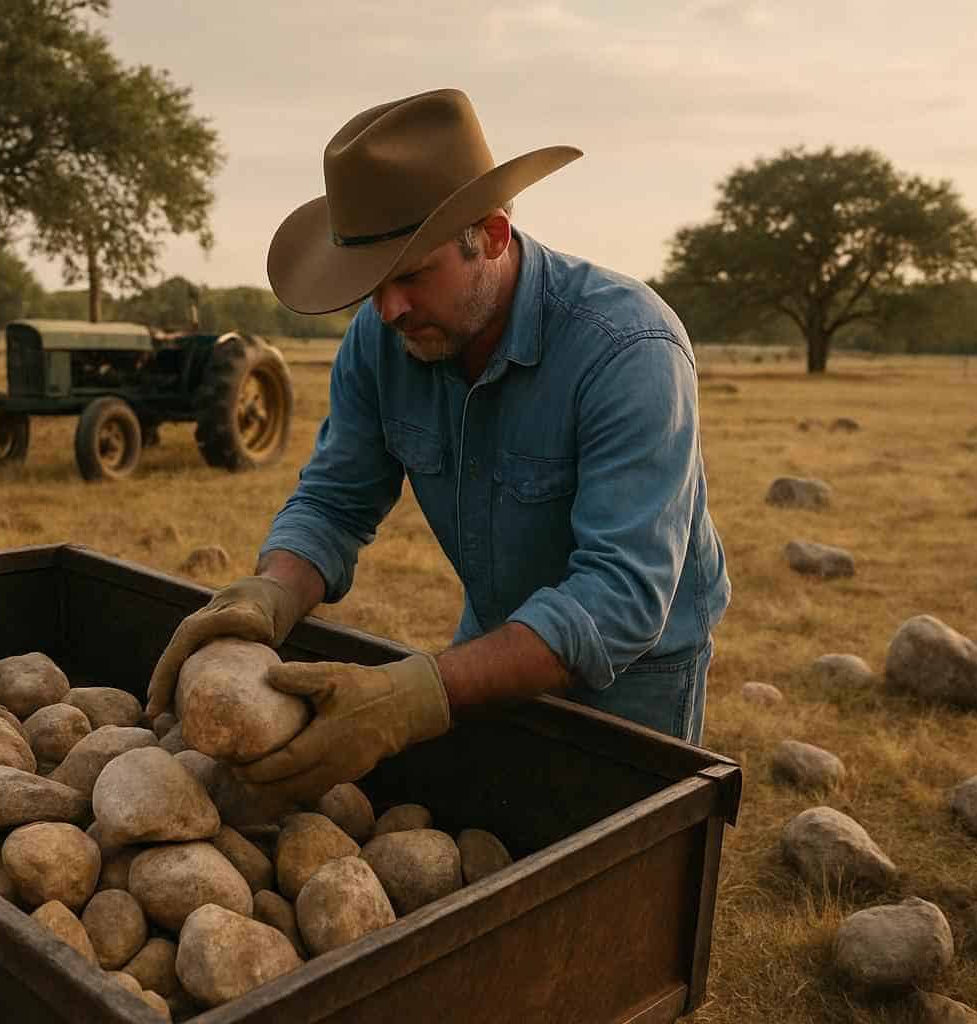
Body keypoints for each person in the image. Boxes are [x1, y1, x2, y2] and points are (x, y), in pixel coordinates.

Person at [147, 87, 729, 804]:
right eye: (372, 286)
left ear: (491, 235)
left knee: (612, 861)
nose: (388, 310)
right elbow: (334, 502)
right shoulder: (382, 337)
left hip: (636, 673)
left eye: (413, 275)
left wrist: (416, 695)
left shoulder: (628, 349)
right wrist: (269, 593)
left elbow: (621, 599)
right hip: (495, 637)